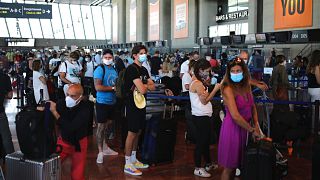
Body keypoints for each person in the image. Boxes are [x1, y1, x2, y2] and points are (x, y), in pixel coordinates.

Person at [218, 57, 260, 180]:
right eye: (233, 71)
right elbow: (235, 116)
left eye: (238, 71)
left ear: (244, 71)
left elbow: (252, 106)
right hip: (233, 129)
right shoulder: (227, 88)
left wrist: (256, 124)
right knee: (229, 167)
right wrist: (252, 130)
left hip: (245, 128)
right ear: (229, 72)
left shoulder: (246, 85)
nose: (236, 73)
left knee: (238, 165)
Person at [123, 45, 155, 176]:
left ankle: (134, 159)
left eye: (145, 53)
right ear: (134, 55)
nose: (144, 55)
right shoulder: (131, 69)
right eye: (141, 53)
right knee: (131, 133)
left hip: (142, 104)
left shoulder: (144, 70)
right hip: (132, 105)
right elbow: (143, 89)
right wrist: (144, 86)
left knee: (138, 131)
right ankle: (127, 163)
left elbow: (152, 87)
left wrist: (144, 86)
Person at [49, 84, 91, 180]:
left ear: (80, 97)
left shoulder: (85, 109)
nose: (68, 98)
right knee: (50, 165)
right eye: (67, 95)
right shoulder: (61, 103)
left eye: (73, 96)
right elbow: (48, 109)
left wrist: (55, 112)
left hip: (79, 144)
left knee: (77, 176)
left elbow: (71, 127)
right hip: (64, 141)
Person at [189, 60, 221, 178]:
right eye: (207, 71)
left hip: (204, 116)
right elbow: (204, 101)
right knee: (201, 142)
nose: (209, 73)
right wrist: (216, 89)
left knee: (205, 141)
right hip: (200, 116)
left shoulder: (199, 81)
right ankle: (197, 168)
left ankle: (208, 163)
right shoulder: (197, 83)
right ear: (200, 70)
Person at [93, 49, 119, 164]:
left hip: (112, 102)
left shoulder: (114, 69)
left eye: (110, 57)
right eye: (106, 57)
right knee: (101, 127)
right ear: (103, 58)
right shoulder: (100, 69)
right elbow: (98, 87)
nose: (108, 59)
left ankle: (105, 147)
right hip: (102, 102)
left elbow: (116, 83)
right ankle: (100, 152)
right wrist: (113, 89)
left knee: (108, 125)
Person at [0, 66, 14, 158]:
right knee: (6, 138)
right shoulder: (4, 77)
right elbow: (10, 95)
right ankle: (11, 161)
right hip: (0, 112)